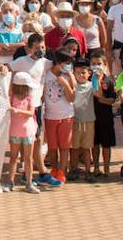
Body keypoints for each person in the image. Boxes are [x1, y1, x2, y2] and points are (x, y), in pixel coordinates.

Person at [8, 33, 56, 188]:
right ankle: (27, 172)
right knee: (24, 139)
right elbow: (8, 68)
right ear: (29, 48)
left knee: (36, 138)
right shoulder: (22, 61)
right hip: (22, 105)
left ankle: (33, 172)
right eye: (36, 48)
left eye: (42, 47)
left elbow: (58, 65)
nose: (40, 50)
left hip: (36, 105)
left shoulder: (46, 63)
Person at [42, 51, 76, 185]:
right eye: (66, 63)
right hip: (50, 116)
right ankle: (54, 170)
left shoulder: (67, 76)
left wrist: (65, 83)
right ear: (58, 63)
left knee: (64, 146)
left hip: (66, 115)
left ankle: (62, 171)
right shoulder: (46, 75)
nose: (68, 66)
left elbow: (72, 97)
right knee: (52, 146)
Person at [5, 72, 40, 193]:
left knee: (28, 158)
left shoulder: (30, 97)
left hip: (28, 132)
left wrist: (17, 110)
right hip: (15, 131)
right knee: (13, 157)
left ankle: (29, 182)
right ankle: (10, 182)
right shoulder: (11, 97)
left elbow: (31, 113)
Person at [89, 49, 117, 178]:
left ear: (105, 64)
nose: (96, 66)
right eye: (93, 63)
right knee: (94, 144)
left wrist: (104, 99)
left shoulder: (108, 81)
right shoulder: (88, 79)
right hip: (92, 116)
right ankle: (96, 167)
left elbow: (111, 99)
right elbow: (95, 94)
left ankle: (106, 168)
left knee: (106, 144)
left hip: (105, 117)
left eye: (99, 63)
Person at [71, 60, 97, 181]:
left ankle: (88, 171)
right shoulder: (73, 85)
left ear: (89, 74)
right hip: (75, 121)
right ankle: (73, 170)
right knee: (74, 148)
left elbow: (98, 92)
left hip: (89, 121)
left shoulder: (91, 85)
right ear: (74, 73)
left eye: (84, 73)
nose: (81, 75)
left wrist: (97, 77)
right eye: (78, 73)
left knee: (87, 148)